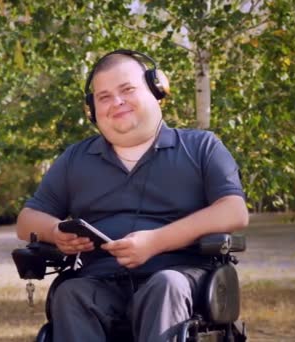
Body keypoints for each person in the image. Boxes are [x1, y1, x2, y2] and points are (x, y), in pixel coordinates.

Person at [16, 49, 248, 342]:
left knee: (166, 285)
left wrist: (155, 241)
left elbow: (234, 211)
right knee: (70, 293)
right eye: (104, 97)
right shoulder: (76, 158)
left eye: (127, 90)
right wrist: (54, 231)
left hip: (179, 278)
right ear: (92, 109)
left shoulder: (202, 147)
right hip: (100, 282)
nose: (117, 102)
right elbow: (26, 220)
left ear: (157, 90)